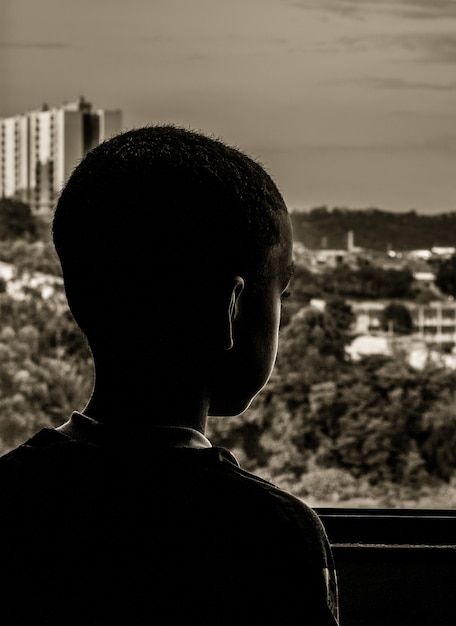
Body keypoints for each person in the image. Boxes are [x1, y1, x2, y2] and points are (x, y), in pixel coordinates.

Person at [0, 125, 339, 625]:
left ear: (77, 296)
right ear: (231, 307)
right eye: (281, 294)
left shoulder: (11, 503)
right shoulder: (271, 531)